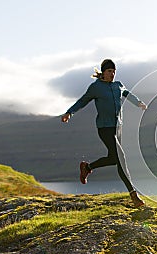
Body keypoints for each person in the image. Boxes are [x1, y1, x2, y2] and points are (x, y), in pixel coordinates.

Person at [61, 59, 146, 208]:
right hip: (104, 128)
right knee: (121, 159)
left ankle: (87, 167)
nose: (112, 74)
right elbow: (82, 101)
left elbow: (127, 93)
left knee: (113, 158)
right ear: (103, 72)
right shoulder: (96, 88)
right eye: (109, 71)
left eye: (114, 71)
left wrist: (138, 103)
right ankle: (133, 194)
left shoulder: (118, 85)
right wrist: (69, 113)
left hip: (117, 128)